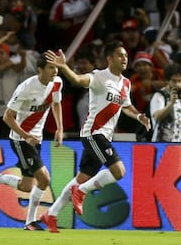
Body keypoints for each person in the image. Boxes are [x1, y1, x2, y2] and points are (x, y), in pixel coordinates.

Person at [40, 40, 150, 233]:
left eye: (125, 55)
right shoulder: (99, 76)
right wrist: (63, 66)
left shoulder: (126, 83)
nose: (124, 58)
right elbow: (76, 80)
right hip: (93, 133)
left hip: (104, 137)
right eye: (119, 55)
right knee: (119, 171)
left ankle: (51, 214)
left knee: (81, 178)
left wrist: (139, 116)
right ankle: (81, 192)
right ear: (109, 58)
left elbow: (127, 106)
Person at [0, 53, 64, 231]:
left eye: (56, 67)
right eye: (51, 67)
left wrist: (60, 128)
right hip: (21, 139)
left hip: (36, 139)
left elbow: (56, 103)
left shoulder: (57, 83)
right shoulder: (27, 88)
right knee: (44, 178)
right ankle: (30, 222)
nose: (55, 71)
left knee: (26, 186)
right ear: (40, 70)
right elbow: (7, 116)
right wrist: (25, 135)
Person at [150, 63, 181, 142]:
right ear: (167, 80)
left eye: (179, 81)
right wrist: (171, 104)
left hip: (177, 144)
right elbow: (157, 117)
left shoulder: (180, 97)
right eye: (174, 81)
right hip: (160, 142)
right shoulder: (159, 95)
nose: (177, 84)